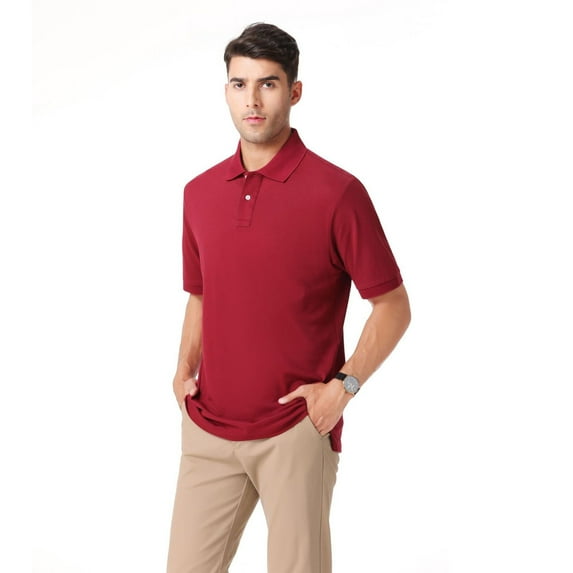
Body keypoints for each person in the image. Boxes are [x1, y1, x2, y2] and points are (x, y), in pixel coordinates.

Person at [166, 22, 411, 573]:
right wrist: (182, 372)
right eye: (239, 84)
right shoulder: (199, 193)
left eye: (268, 84)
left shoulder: (337, 192)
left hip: (296, 429)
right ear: (226, 90)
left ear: (294, 91)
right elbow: (201, 295)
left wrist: (343, 388)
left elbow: (394, 305)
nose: (251, 100)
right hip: (209, 429)